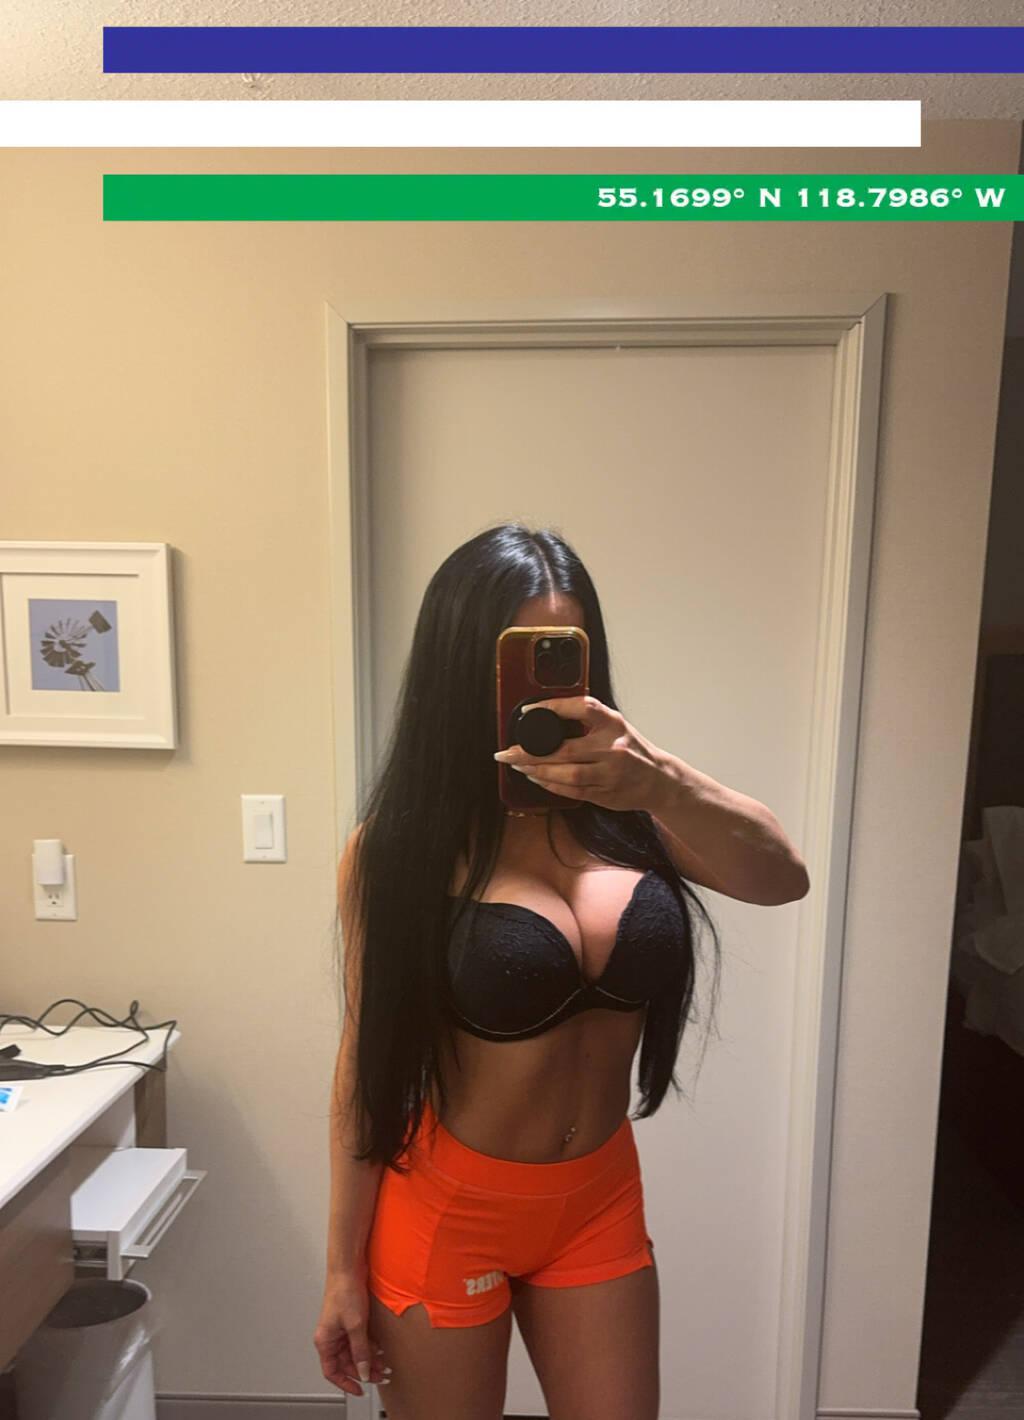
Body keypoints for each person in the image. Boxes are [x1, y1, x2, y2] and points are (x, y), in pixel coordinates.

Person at [313, 521, 809, 1419]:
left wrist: (659, 780)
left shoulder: (638, 813)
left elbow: (783, 877)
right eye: (520, 659)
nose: (547, 690)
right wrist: (341, 1269)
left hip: (596, 1200)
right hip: (449, 1208)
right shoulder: (397, 852)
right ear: (463, 671)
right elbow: (364, 1061)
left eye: (567, 657)